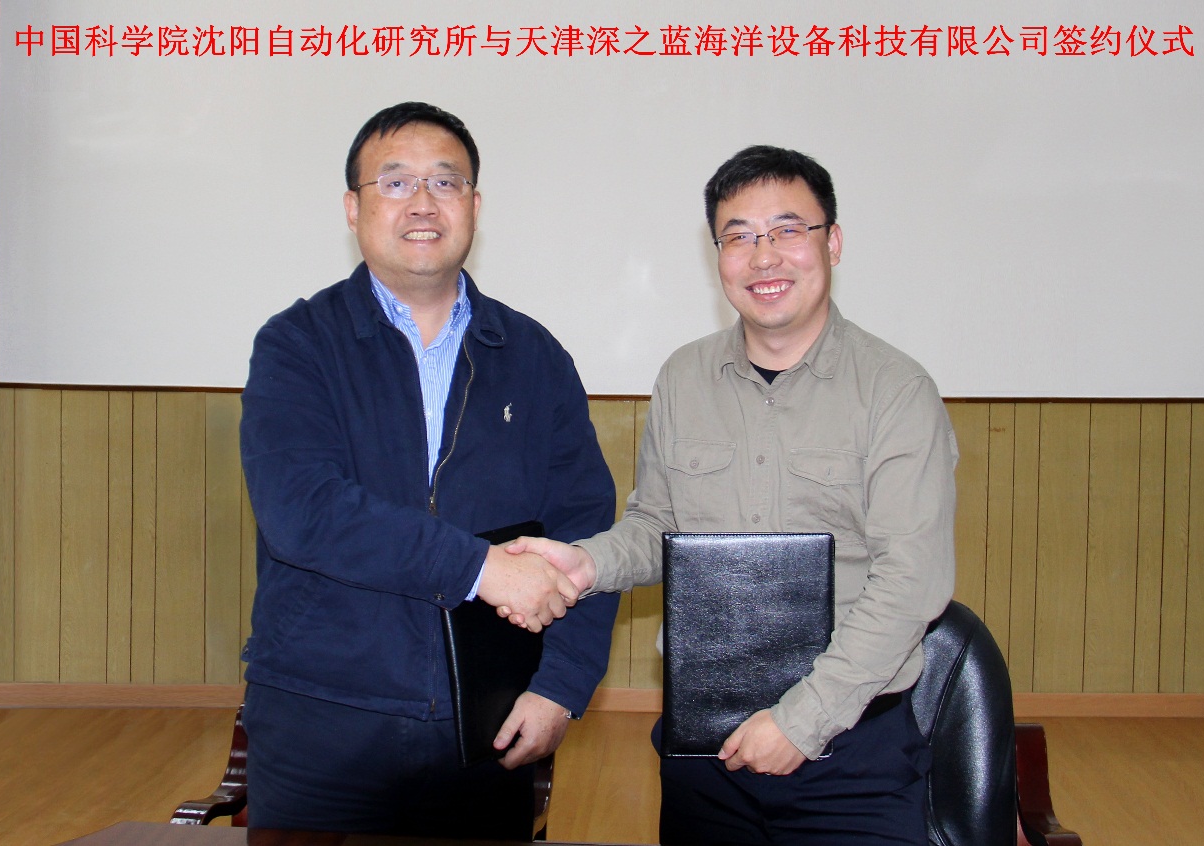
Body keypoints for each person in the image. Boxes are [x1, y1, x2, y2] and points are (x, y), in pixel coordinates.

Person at [509, 145, 958, 845]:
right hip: (706, 746)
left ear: (833, 242)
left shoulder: (896, 392)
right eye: (739, 236)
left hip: (851, 749)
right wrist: (588, 563)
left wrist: (800, 722)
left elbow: (911, 581)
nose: (763, 257)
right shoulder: (683, 377)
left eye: (787, 230)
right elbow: (657, 526)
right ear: (716, 254)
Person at [238, 101, 619, 838]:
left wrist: (561, 688)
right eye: (394, 182)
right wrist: (480, 569)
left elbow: (587, 536)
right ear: (353, 208)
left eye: (445, 182)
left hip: (486, 726)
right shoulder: (298, 344)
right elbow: (303, 511)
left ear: (474, 206)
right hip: (320, 719)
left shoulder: (534, 357)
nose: (421, 202)